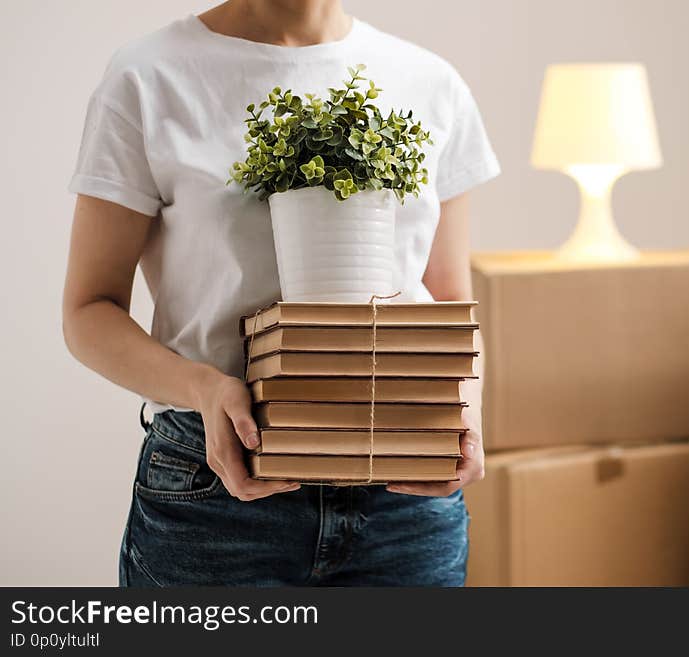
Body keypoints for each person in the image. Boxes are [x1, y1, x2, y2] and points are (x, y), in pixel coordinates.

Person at [62, 0, 499, 586]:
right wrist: (204, 389)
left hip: (405, 508)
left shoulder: (430, 82)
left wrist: (467, 415)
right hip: (219, 495)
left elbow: (449, 304)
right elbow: (88, 311)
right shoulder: (149, 77)